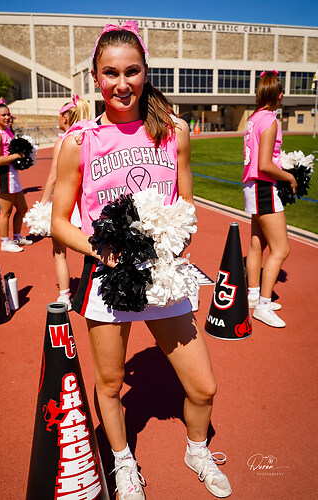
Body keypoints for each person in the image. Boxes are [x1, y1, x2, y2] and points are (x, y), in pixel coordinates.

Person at [50, 21, 232, 499]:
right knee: (110, 385)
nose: (122, 83)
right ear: (96, 77)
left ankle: (197, 450)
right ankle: (123, 461)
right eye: (110, 73)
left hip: (163, 278)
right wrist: (104, 251)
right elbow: (59, 222)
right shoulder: (79, 141)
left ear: (146, 73)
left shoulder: (175, 132)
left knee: (204, 387)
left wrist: (175, 238)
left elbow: (187, 205)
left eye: (131, 71)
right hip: (108, 280)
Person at [243, 71, 297, 328]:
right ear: (279, 94)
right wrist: (289, 176)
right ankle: (263, 305)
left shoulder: (253, 118)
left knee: (258, 243)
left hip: (252, 186)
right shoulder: (269, 120)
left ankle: (254, 294)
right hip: (263, 186)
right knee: (281, 249)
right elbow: (265, 164)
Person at [41, 95, 91, 308]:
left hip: (66, 205)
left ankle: (64, 295)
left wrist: (43, 205)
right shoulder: (90, 135)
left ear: (65, 118)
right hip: (86, 204)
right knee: (91, 250)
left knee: (59, 252)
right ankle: (92, 292)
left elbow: (54, 177)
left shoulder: (63, 141)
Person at [0, 99, 33, 253]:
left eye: (8, 114)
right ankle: (4, 242)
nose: (7, 117)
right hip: (4, 175)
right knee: (6, 212)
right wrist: (17, 156)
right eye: (3, 115)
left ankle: (17, 237)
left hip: (12, 174)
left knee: (22, 208)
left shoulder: (7, 130)